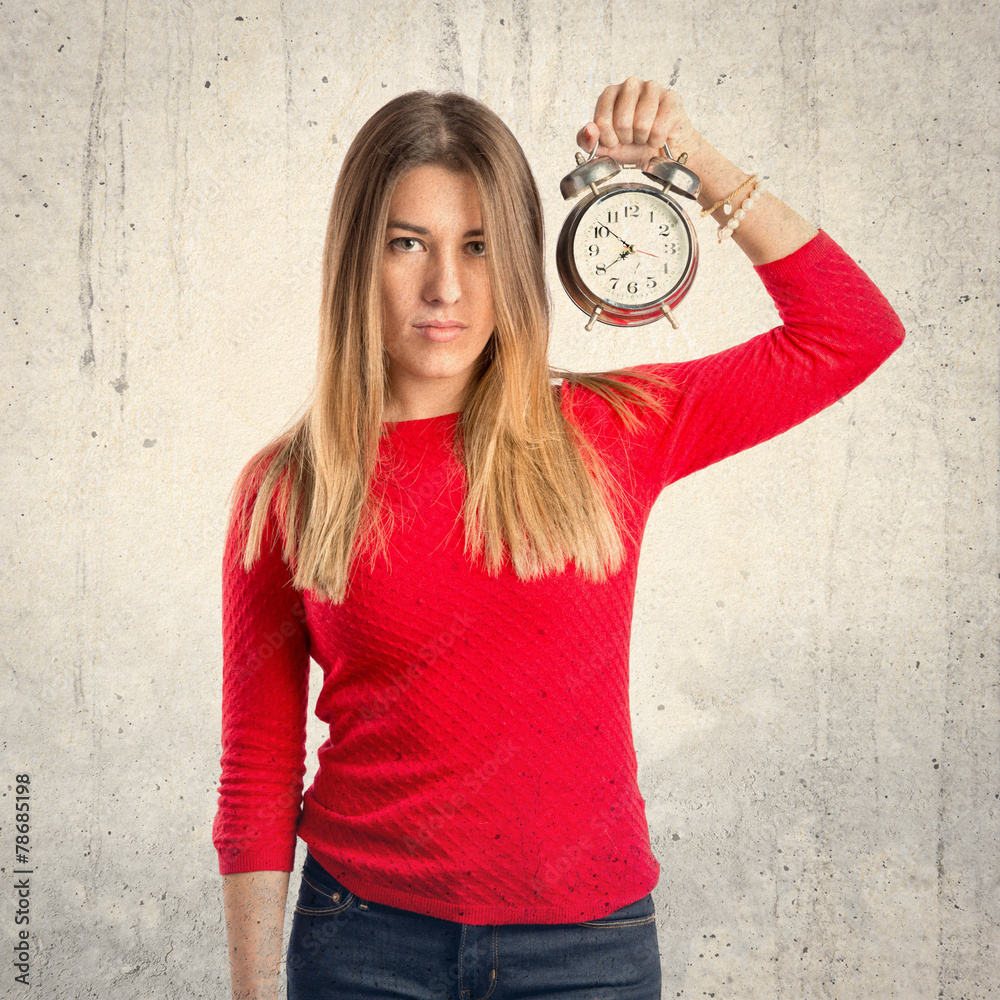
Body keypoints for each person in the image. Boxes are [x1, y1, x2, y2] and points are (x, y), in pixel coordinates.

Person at [212, 78, 905, 999]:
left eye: (479, 246)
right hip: (362, 945)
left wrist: (695, 163)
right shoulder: (287, 489)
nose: (445, 287)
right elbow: (258, 772)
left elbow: (850, 332)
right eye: (407, 243)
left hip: (589, 952)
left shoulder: (609, 431)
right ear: (356, 259)